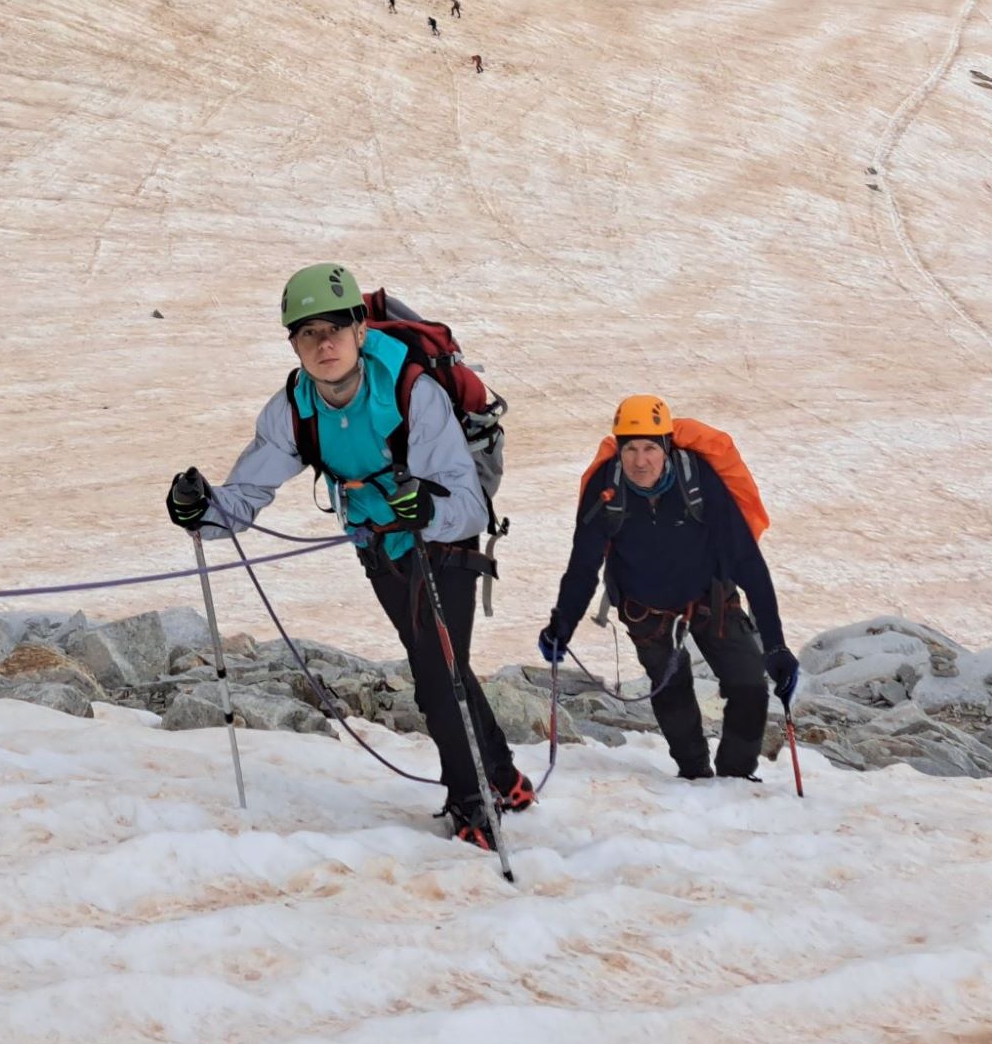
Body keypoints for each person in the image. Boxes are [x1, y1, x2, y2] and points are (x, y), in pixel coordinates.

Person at [163, 260, 531, 849]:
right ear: (294, 344)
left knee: (437, 675)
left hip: (443, 542)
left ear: (361, 329)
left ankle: (473, 806)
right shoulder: (294, 408)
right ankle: (506, 778)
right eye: (308, 333)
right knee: (442, 662)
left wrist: (426, 509)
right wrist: (201, 509)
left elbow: (467, 503)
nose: (324, 343)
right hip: (378, 546)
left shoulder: (413, 390)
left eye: (335, 328)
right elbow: (245, 497)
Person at [538, 394, 797, 782]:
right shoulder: (606, 488)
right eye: (630, 449)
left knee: (749, 684)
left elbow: (747, 562)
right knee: (671, 691)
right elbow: (583, 566)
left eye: (650, 449)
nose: (640, 461)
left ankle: (735, 777)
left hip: (710, 597)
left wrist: (775, 645)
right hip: (646, 609)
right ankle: (694, 774)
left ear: (667, 447)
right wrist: (563, 625)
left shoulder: (699, 481)